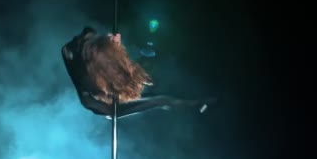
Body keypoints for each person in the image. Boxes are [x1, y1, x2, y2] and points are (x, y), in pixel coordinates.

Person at [61, 26, 213, 119]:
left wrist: (115, 46)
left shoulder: (98, 54)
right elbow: (69, 55)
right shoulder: (86, 81)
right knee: (160, 100)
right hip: (103, 103)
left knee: (161, 99)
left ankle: (197, 105)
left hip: (106, 84)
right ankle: (197, 105)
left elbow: (116, 65)